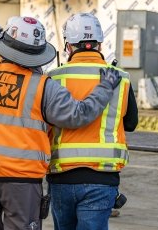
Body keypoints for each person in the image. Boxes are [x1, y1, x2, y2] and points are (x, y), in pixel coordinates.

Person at [0, 16, 122, 230]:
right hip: (21, 179)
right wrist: (105, 87)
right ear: (37, 53)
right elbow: (79, 115)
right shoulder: (44, 87)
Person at [46, 13, 138, 230]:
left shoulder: (53, 77)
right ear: (99, 43)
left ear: (68, 46)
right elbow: (131, 123)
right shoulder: (120, 78)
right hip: (103, 177)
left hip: (61, 176)